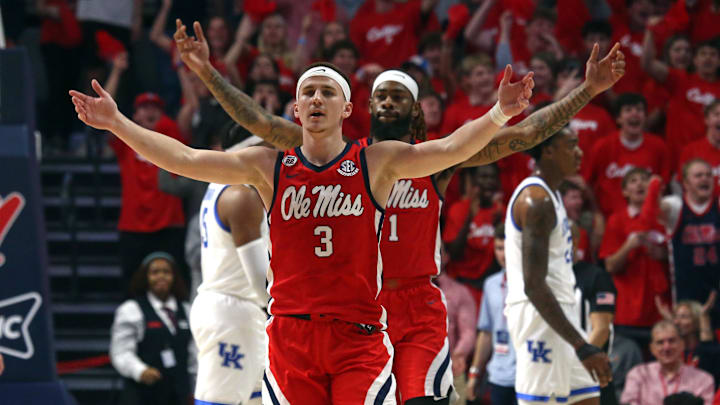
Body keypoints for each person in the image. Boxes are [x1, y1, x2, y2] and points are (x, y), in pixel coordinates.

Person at [170, 17, 625, 404]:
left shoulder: (439, 158)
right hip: (357, 304)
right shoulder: (346, 157)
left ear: (415, 111)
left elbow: (522, 135)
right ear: (362, 107)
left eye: (397, 96)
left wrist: (587, 90)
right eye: (380, 96)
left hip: (414, 302)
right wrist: (208, 72)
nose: (386, 101)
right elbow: (260, 122)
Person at [71, 40, 534, 405]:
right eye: (307, 92)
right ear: (296, 110)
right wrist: (118, 124)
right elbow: (186, 158)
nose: (316, 98)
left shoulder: (376, 161)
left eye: (327, 92)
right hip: (291, 335)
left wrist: (498, 114)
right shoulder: (267, 166)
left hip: (358, 335)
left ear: (346, 109)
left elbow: (450, 149)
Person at [504, 126, 613, 403]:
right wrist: (580, 344)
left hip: (563, 311)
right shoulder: (536, 200)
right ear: (549, 150)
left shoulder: (553, 195)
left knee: (587, 398)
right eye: (571, 145)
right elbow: (534, 285)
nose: (579, 152)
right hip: (538, 315)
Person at [191, 124, 269, 405]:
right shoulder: (241, 196)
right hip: (233, 311)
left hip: (236, 310)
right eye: (269, 148)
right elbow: (259, 281)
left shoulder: (220, 184)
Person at [109, 252, 195, 405]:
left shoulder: (187, 310)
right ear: (145, 277)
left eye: (166, 272)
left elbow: (195, 353)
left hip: (179, 394)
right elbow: (120, 352)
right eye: (155, 272)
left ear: (174, 277)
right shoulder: (132, 310)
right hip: (143, 393)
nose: (161, 276)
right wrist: (140, 370)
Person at [600, 168, 669, 348]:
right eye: (633, 180)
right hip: (627, 312)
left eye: (645, 179)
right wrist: (628, 246)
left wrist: (664, 255)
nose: (640, 183)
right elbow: (610, 266)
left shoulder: (664, 218)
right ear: (625, 192)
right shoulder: (617, 220)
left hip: (660, 311)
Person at [466, 223, 518, 405]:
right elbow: (486, 333)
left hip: (529, 376)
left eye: (508, 247)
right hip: (498, 375)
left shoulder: (534, 284)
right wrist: (474, 373)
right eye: (499, 248)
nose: (503, 254)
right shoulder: (491, 284)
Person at [571, 223, 619, 405]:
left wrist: (575, 366)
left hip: (591, 369)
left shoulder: (596, 276)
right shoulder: (547, 279)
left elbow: (602, 329)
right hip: (557, 373)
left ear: (574, 242)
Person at [620, 321, 714, 405]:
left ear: (682, 344)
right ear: (652, 348)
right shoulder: (638, 374)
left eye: (671, 341)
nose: (666, 347)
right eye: (660, 342)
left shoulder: (703, 380)